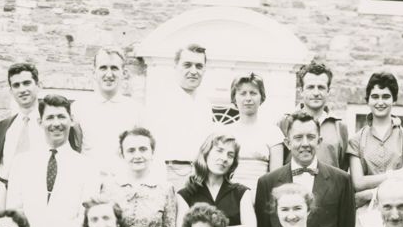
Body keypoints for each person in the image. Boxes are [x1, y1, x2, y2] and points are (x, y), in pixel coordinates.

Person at [5, 94, 98, 227]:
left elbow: (87, 216)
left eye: (61, 116)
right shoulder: (22, 162)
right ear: (40, 122)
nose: (56, 123)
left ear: (71, 120)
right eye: (50, 117)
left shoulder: (88, 166)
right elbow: (14, 211)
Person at [254, 113, 355, 227]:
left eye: (311, 137)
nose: (305, 143)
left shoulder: (341, 180)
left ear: (319, 142)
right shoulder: (267, 182)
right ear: (288, 143)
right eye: (298, 138)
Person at [348, 71, 403, 227]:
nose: (380, 102)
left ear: (394, 99)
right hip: (365, 218)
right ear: (367, 100)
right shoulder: (356, 140)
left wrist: (369, 193)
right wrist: (393, 176)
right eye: (375, 96)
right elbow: (358, 183)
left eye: (385, 96)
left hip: (399, 215)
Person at [104, 127, 177, 227]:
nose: (137, 155)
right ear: (122, 155)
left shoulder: (165, 189)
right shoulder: (109, 188)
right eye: (131, 150)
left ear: (152, 153)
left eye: (143, 149)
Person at [175, 132, 256, 227]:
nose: (224, 158)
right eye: (219, 151)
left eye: (230, 155)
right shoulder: (186, 194)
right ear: (205, 153)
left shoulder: (241, 192)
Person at [0, 62, 81, 181]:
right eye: (16, 85)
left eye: (26, 83)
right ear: (11, 91)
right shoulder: (1, 128)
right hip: (4, 188)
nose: (22, 89)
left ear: (38, 85)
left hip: (38, 189)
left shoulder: (54, 125)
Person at [142, 44, 216, 188]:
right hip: (169, 174)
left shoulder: (205, 104)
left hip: (201, 177)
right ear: (175, 66)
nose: (193, 71)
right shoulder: (160, 100)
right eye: (187, 65)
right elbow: (150, 146)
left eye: (199, 66)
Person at [72, 48, 141, 177]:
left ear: (124, 73)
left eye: (114, 68)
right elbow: (76, 149)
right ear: (94, 72)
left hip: (124, 182)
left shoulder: (135, 110)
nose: (109, 75)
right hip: (87, 180)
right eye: (103, 68)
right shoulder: (79, 108)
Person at [277, 61, 350, 171]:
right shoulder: (285, 122)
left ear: (328, 91)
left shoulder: (339, 126)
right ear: (301, 91)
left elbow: (343, 168)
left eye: (321, 87)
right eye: (310, 87)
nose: (316, 93)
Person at [227, 72, 285, 189]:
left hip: (261, 195)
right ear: (234, 97)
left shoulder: (273, 133)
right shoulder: (225, 132)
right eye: (242, 93)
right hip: (229, 194)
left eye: (253, 93)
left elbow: (276, 177)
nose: (248, 98)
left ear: (261, 97)